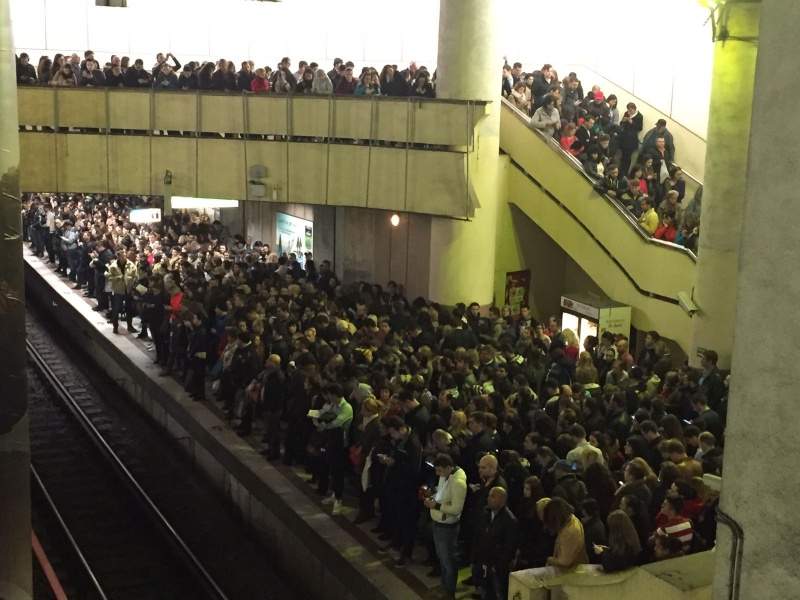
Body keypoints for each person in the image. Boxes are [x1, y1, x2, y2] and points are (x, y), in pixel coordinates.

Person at [379, 415, 423, 566]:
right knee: (397, 516)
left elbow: (413, 469)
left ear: (401, 430)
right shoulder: (400, 440)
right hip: (396, 485)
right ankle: (396, 543)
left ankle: (407, 553)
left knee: (407, 522)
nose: (391, 436)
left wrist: (394, 463)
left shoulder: (413, 444)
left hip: (407, 489)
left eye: (392, 432)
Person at [423, 453, 467, 600]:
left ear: (449, 467)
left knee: (448, 561)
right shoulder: (445, 476)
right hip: (438, 522)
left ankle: (449, 592)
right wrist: (433, 494)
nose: (437, 474)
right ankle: (444, 587)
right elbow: (442, 493)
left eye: (440, 471)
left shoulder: (458, 482)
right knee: (442, 559)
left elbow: (456, 509)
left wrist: (436, 505)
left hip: (447, 527)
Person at [314, 383, 353, 515]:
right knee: (331, 468)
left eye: (330, 395)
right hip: (330, 442)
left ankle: (339, 499)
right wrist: (313, 415)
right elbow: (320, 413)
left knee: (338, 472)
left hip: (340, 444)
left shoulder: (346, 408)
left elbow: (337, 422)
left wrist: (323, 425)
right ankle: (334, 494)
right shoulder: (331, 405)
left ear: (335, 395)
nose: (328, 397)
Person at [473, 487, 517, 600]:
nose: (488, 498)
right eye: (489, 496)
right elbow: (479, 536)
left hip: (496, 567)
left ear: (502, 500)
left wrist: (497, 566)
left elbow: (509, 548)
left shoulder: (509, 521)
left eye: (492, 496)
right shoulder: (486, 513)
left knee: (499, 593)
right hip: (484, 562)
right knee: (486, 592)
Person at [544, 497, 589, 570]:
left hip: (572, 572)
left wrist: (550, 559)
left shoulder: (569, 532)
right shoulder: (572, 519)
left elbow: (565, 562)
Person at [105, 249, 138, 335]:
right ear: (118, 257)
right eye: (121, 256)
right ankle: (115, 326)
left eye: (124, 255)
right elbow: (109, 277)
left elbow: (135, 276)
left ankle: (130, 326)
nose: (123, 257)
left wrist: (132, 281)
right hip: (118, 290)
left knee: (129, 309)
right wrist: (117, 278)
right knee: (116, 309)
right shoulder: (113, 266)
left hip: (128, 290)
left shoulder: (131, 265)